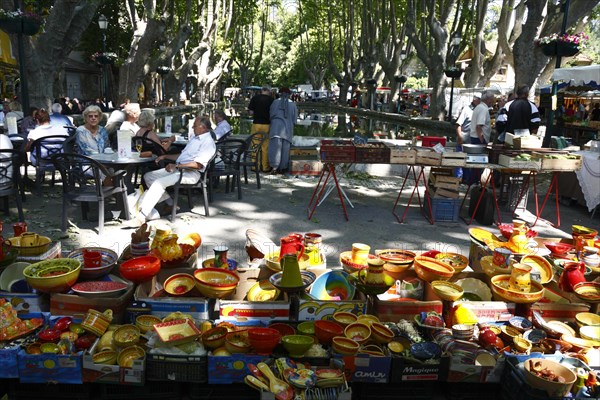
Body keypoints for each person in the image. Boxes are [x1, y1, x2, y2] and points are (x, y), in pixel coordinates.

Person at [136, 116, 216, 223]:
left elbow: (198, 165)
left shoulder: (208, 142)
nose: (192, 127)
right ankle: (170, 204)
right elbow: (181, 156)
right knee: (148, 176)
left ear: (203, 128)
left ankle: (142, 215)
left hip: (191, 174)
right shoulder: (195, 138)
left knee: (159, 183)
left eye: (195, 125)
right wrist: (165, 157)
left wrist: (176, 166)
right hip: (180, 169)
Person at [268, 87, 298, 174]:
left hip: (276, 128)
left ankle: (274, 167)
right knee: (285, 149)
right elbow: (295, 119)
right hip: (287, 129)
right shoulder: (293, 104)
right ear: (289, 94)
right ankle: (283, 168)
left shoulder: (275, 102)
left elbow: (271, 115)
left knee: (274, 148)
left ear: (280, 93)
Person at [247, 86, 274, 172]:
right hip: (267, 125)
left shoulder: (255, 98)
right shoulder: (271, 100)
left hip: (256, 124)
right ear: (268, 91)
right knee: (265, 146)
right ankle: (265, 167)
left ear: (261, 91)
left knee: (255, 145)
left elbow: (251, 112)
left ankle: (255, 166)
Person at [454, 95, 480, 180]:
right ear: (475, 100)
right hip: (464, 141)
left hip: (472, 143)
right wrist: (460, 137)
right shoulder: (466, 110)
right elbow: (458, 124)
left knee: (469, 163)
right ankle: (458, 180)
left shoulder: (479, 110)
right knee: (459, 162)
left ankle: (466, 180)